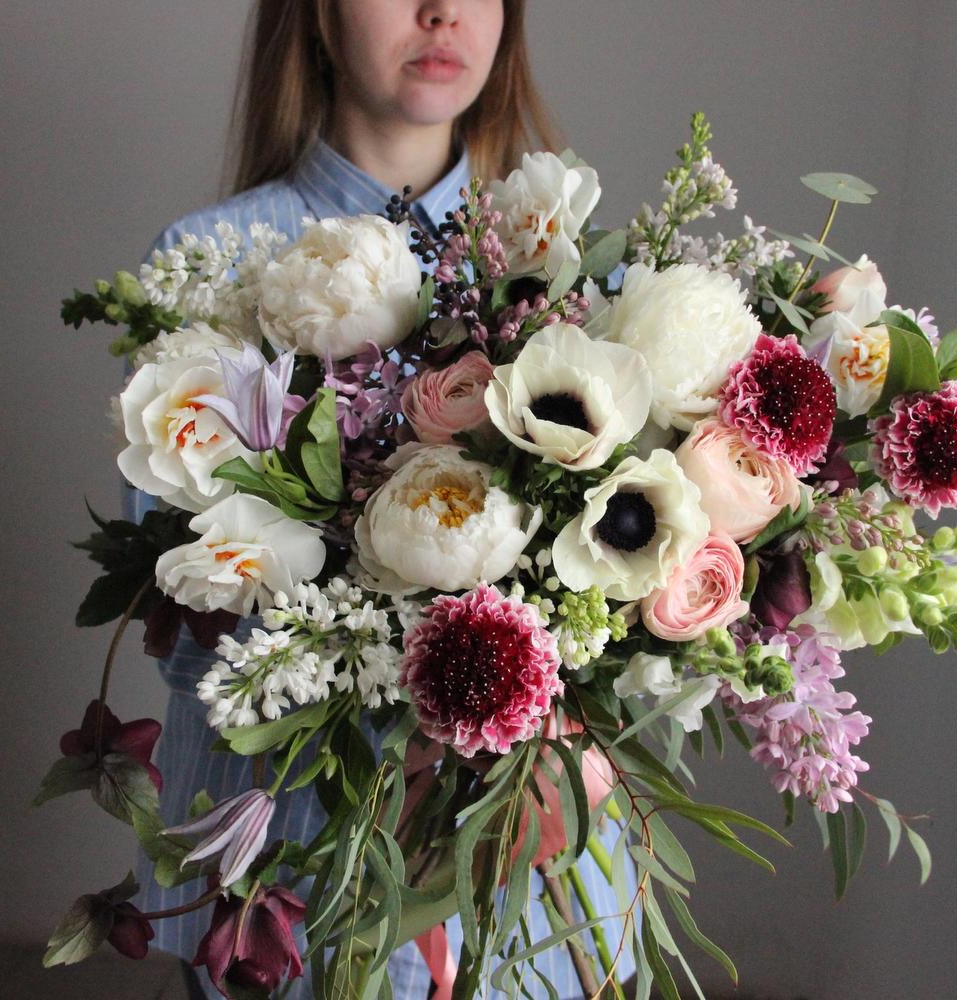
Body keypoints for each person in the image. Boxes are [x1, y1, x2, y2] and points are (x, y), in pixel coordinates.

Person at [131, 2, 634, 997]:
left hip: (535, 885)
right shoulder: (208, 261)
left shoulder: (575, 266)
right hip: (294, 877)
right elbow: (183, 622)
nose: (441, 11)